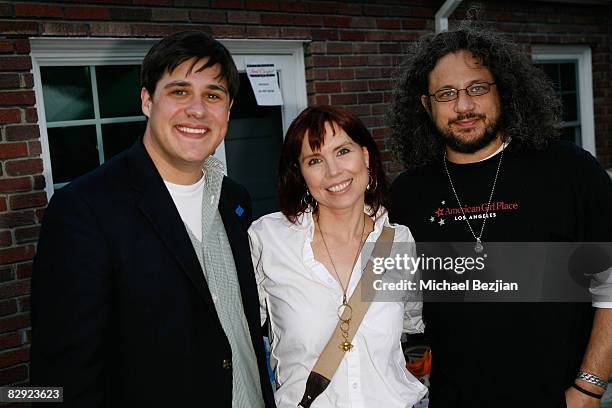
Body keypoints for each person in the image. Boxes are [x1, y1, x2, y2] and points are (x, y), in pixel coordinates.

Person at [31, 31, 275, 407]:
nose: (197, 109)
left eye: (213, 95)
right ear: (147, 100)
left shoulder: (235, 200)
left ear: (227, 110)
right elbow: (59, 378)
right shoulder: (84, 210)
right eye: (179, 91)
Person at [389, 24, 612, 407]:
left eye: (477, 88)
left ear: (502, 91)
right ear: (426, 105)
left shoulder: (570, 171)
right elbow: (395, 301)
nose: (463, 106)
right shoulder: (408, 193)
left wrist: (589, 387)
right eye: (447, 94)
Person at [248, 105, 428, 408]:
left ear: (365, 157)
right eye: (315, 160)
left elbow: (412, 323)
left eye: (343, 151)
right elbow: (235, 334)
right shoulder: (269, 239)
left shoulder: (398, 241)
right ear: (301, 173)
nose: (333, 171)